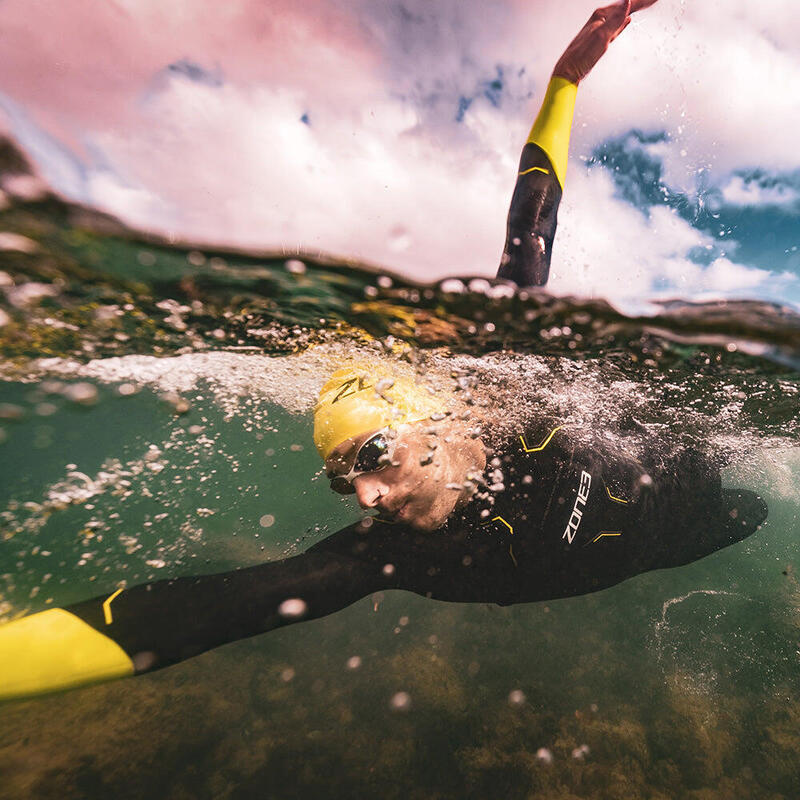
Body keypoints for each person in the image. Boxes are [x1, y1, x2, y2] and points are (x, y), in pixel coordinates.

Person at [0, 0, 767, 702]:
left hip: (682, 467)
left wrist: (565, 81)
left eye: (369, 454)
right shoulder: (390, 555)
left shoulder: (511, 383)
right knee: (756, 515)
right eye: (343, 482)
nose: (365, 496)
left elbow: (534, 214)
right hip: (677, 544)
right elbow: (217, 609)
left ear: (427, 419)